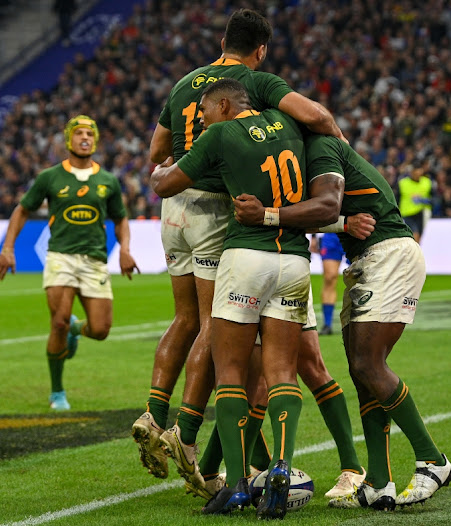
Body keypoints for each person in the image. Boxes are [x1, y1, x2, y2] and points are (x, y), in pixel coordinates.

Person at [131, 7, 346, 490]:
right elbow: (316, 115)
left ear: (223, 40)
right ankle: (185, 436)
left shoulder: (187, 82)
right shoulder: (256, 82)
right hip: (217, 207)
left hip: (173, 209)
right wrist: (338, 151)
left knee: (184, 318)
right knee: (219, 329)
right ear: (261, 49)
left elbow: (155, 153)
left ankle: (153, 411)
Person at [234, 133, 451, 511]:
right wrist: (343, 225)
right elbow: (331, 216)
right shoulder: (302, 160)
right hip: (366, 260)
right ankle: (379, 482)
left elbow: (326, 205)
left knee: (370, 364)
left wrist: (269, 215)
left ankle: (432, 460)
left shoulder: (321, 148)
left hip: (387, 252)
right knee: (362, 372)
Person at [151, 78, 333, 519]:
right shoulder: (286, 123)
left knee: (231, 371)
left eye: (205, 113)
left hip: (246, 256)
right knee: (281, 371)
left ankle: (235, 485)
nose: (202, 122)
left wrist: (158, 173)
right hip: (292, 259)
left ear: (225, 105)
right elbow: (322, 124)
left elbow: (167, 184)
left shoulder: (219, 134)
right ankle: (282, 467)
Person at [0, 115, 139, 410]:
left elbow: (120, 218)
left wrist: (124, 249)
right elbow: (22, 211)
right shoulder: (50, 177)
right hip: (60, 256)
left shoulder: (107, 180)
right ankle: (57, 392)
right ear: (68, 139)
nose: (85, 138)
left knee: (100, 330)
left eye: (89, 134)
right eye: (79, 133)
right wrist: (8, 248)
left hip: (95, 259)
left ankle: (76, 330)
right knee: (57, 321)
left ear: (95, 141)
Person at [314, 233, 346, 335]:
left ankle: (359, 322)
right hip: (332, 233)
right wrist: (314, 237)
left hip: (355, 233)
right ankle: (327, 324)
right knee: (330, 277)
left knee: (359, 278)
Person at [396, 165, 432, 243]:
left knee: (420, 237)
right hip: (407, 214)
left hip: (421, 213)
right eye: (415, 173)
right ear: (411, 172)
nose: (417, 175)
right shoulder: (403, 183)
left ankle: (416, 253)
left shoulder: (427, 182)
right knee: (415, 235)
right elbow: (397, 198)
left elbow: (433, 198)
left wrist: (423, 200)